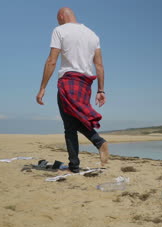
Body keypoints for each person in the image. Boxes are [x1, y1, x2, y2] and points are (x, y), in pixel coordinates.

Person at [36, 7, 109, 173]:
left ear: (61, 16)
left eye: (57, 19)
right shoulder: (93, 35)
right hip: (85, 84)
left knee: (69, 126)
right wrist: (101, 90)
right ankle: (75, 165)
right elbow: (99, 65)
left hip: (69, 81)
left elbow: (51, 61)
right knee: (74, 121)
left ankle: (98, 143)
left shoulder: (59, 30)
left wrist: (42, 88)